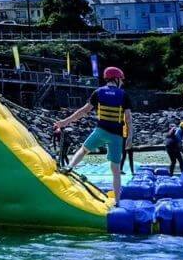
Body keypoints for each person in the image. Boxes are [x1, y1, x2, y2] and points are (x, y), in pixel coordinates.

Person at [54, 66, 132, 203]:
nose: (122, 82)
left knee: (84, 150)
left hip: (100, 132)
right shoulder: (123, 95)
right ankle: (118, 202)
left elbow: (83, 111)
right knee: (116, 170)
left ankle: (69, 167)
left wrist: (64, 122)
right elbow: (128, 119)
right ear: (117, 79)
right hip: (116, 136)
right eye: (121, 79)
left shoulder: (98, 92)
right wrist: (130, 137)